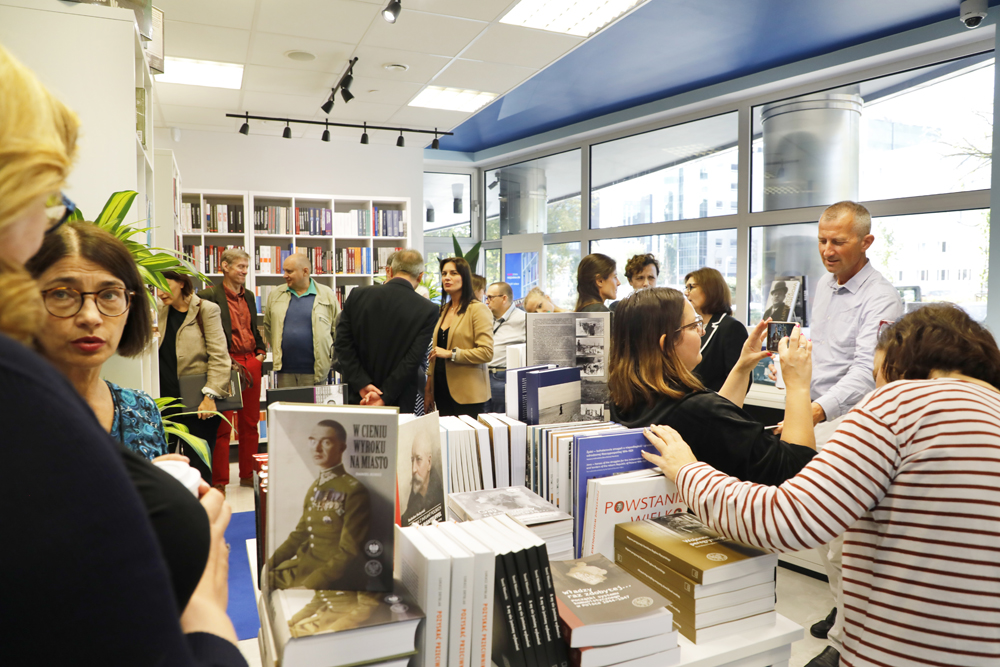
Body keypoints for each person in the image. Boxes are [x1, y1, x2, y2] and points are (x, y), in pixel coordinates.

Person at [0, 44, 244, 665]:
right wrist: (207, 612)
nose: (89, 315)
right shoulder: (24, 399)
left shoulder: (127, 407)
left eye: (110, 296)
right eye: (46, 195)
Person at [641, 304, 1000, 667]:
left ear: (898, 366)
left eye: (877, 375)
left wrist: (688, 471)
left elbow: (786, 519)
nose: (877, 387)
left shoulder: (900, 403)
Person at [774, 201, 903, 666]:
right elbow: (822, 353)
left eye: (839, 242)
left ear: (866, 242)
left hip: (849, 423)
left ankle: (846, 641)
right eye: (822, 240)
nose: (827, 251)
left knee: (844, 542)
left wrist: (810, 409)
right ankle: (844, 614)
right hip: (814, 415)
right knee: (830, 543)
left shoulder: (882, 298)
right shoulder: (826, 286)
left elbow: (867, 373)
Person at [608, 288, 816, 486]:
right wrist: (798, 385)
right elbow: (798, 472)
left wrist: (742, 368)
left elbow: (716, 429)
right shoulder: (699, 410)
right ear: (667, 344)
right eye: (693, 326)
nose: (702, 331)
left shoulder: (624, 401)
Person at [27, 221, 169, 461]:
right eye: (62, 293)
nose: (90, 317)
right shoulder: (11, 411)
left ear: (130, 307)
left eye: (109, 294)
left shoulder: (142, 409)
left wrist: (167, 493)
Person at [268, 420, 370, 590]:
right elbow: (299, 536)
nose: (317, 448)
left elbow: (349, 552)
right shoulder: (315, 487)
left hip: (330, 577)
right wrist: (270, 563)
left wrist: (310, 584)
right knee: (263, 579)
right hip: (306, 566)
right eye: (313, 441)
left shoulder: (354, 491)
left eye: (327, 442)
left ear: (341, 448)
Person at [334, 249, 439, 412]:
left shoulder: (357, 295)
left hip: (359, 396)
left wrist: (362, 384)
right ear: (420, 276)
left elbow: (342, 345)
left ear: (390, 270)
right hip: (400, 398)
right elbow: (413, 359)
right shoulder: (428, 309)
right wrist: (385, 396)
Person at [198, 247, 267, 490]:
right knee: (222, 425)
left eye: (246, 268)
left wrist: (260, 353)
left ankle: (248, 475)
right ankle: (219, 481)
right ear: (224, 266)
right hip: (225, 365)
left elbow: (253, 325)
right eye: (240, 267)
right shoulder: (208, 295)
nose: (244, 272)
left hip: (251, 363)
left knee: (250, 423)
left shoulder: (248, 295)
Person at [156, 270, 231, 483]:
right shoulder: (159, 310)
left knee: (198, 464)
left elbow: (219, 356)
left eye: (164, 285)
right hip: (166, 400)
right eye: (156, 287)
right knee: (165, 461)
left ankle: (201, 510)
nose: (160, 293)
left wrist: (210, 397)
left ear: (181, 282)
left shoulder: (206, 309)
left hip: (198, 400)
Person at [428, 256, 493, 417]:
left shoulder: (477, 309)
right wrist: (428, 389)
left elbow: (486, 352)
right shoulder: (443, 310)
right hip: (441, 391)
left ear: (464, 277)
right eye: (444, 274)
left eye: (453, 273)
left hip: (469, 395)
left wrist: (451, 354)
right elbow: (435, 354)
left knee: (468, 442)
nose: (447, 278)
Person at [263, 252, 340, 388]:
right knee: (287, 408)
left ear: (305, 271)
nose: (284, 275)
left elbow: (337, 329)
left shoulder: (326, 294)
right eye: (284, 270)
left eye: (289, 271)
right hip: (284, 371)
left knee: (312, 409)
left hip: (316, 371)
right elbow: (269, 328)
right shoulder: (275, 295)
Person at [684, 267, 748, 392]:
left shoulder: (731, 327)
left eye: (691, 287)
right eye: (686, 288)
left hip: (713, 406)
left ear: (710, 289)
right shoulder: (691, 325)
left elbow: (740, 378)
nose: (686, 293)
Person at [484, 281, 526, 413]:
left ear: (504, 298)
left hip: (502, 378)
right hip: (482, 377)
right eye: (486, 298)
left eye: (490, 298)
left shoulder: (523, 320)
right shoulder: (486, 318)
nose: (487, 302)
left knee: (501, 421)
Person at [400, 428, 444, 525]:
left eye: (418, 459)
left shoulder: (442, 499)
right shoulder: (408, 512)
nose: (413, 469)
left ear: (429, 462)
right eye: (412, 460)